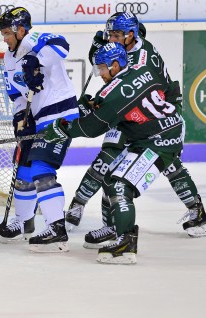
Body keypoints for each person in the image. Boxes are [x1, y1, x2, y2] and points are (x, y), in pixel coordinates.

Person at [44, 42, 192, 264]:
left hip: (160, 139)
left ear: (115, 65)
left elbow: (92, 128)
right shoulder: (134, 70)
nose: (100, 74)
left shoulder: (116, 92)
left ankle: (125, 244)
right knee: (109, 175)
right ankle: (114, 230)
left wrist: (61, 129)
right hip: (156, 130)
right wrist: (93, 106)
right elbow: (111, 104)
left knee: (120, 186)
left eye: (102, 68)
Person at [66, 12, 205, 245]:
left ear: (131, 34)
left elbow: (118, 87)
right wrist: (97, 47)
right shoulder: (128, 45)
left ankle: (196, 212)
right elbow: (102, 64)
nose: (112, 39)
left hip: (153, 113)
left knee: (161, 163)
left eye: (117, 35)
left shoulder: (141, 60)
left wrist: (96, 107)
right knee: (110, 160)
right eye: (110, 34)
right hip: (135, 110)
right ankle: (94, 216)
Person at [0, 6, 79, 252]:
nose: (5, 38)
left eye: (8, 33)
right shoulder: (9, 57)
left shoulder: (35, 40)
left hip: (59, 114)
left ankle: (56, 228)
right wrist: (20, 118)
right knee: (23, 170)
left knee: (42, 170)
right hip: (36, 117)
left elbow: (62, 45)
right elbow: (16, 95)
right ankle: (24, 222)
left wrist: (36, 60)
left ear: (21, 30)